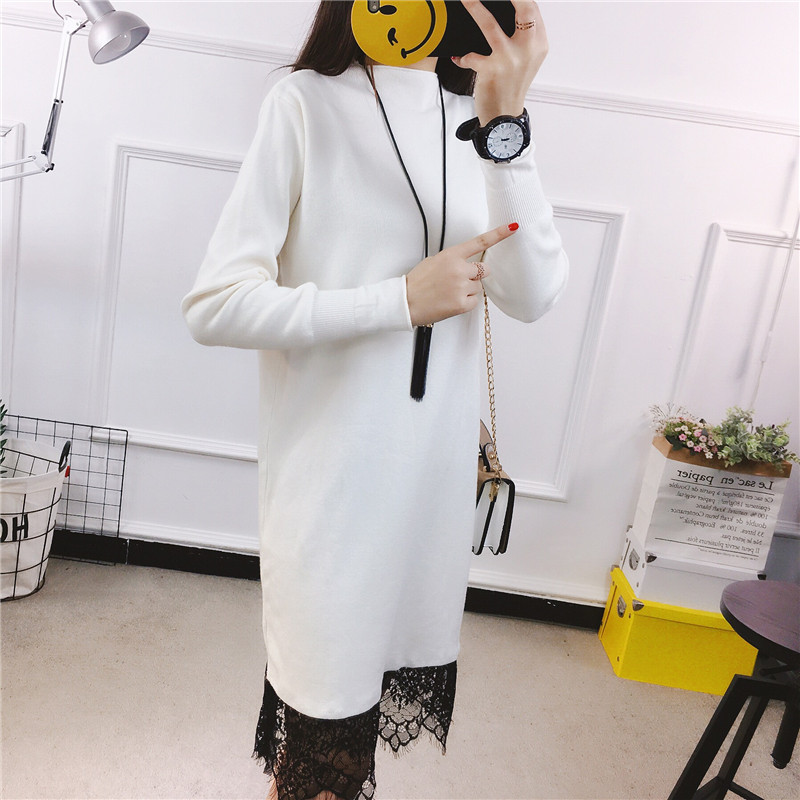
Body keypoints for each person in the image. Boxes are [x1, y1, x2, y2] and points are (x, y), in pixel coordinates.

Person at [182, 1, 567, 798]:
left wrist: (506, 128)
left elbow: (533, 295)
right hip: (334, 491)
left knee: (346, 745)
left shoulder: (480, 120)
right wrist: (397, 301)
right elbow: (215, 306)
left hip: (428, 493)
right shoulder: (306, 105)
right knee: (323, 749)